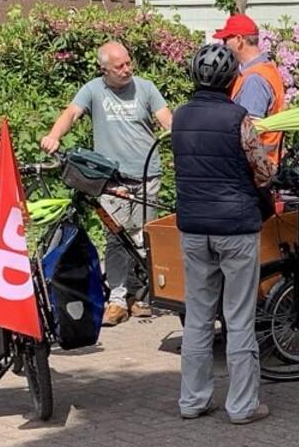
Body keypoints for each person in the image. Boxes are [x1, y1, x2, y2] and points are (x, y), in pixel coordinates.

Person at [170, 43, 279, 426]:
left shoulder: (179, 117)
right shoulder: (240, 119)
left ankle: (193, 400)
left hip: (194, 227)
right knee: (238, 317)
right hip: (236, 228)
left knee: (198, 317)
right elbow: (263, 172)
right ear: (233, 79)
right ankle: (242, 405)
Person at [41, 41, 172, 325]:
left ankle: (140, 296)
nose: (127, 70)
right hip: (111, 180)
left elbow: (167, 121)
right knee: (115, 237)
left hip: (147, 175)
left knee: (141, 237)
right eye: (119, 67)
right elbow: (71, 113)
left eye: (128, 63)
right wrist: (54, 135)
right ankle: (116, 299)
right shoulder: (92, 90)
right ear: (104, 70)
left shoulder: (146, 88)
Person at [213, 13, 288, 162]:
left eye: (226, 39)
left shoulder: (254, 80)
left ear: (239, 40)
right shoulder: (265, 69)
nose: (224, 45)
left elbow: (250, 134)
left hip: (255, 170)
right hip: (266, 164)